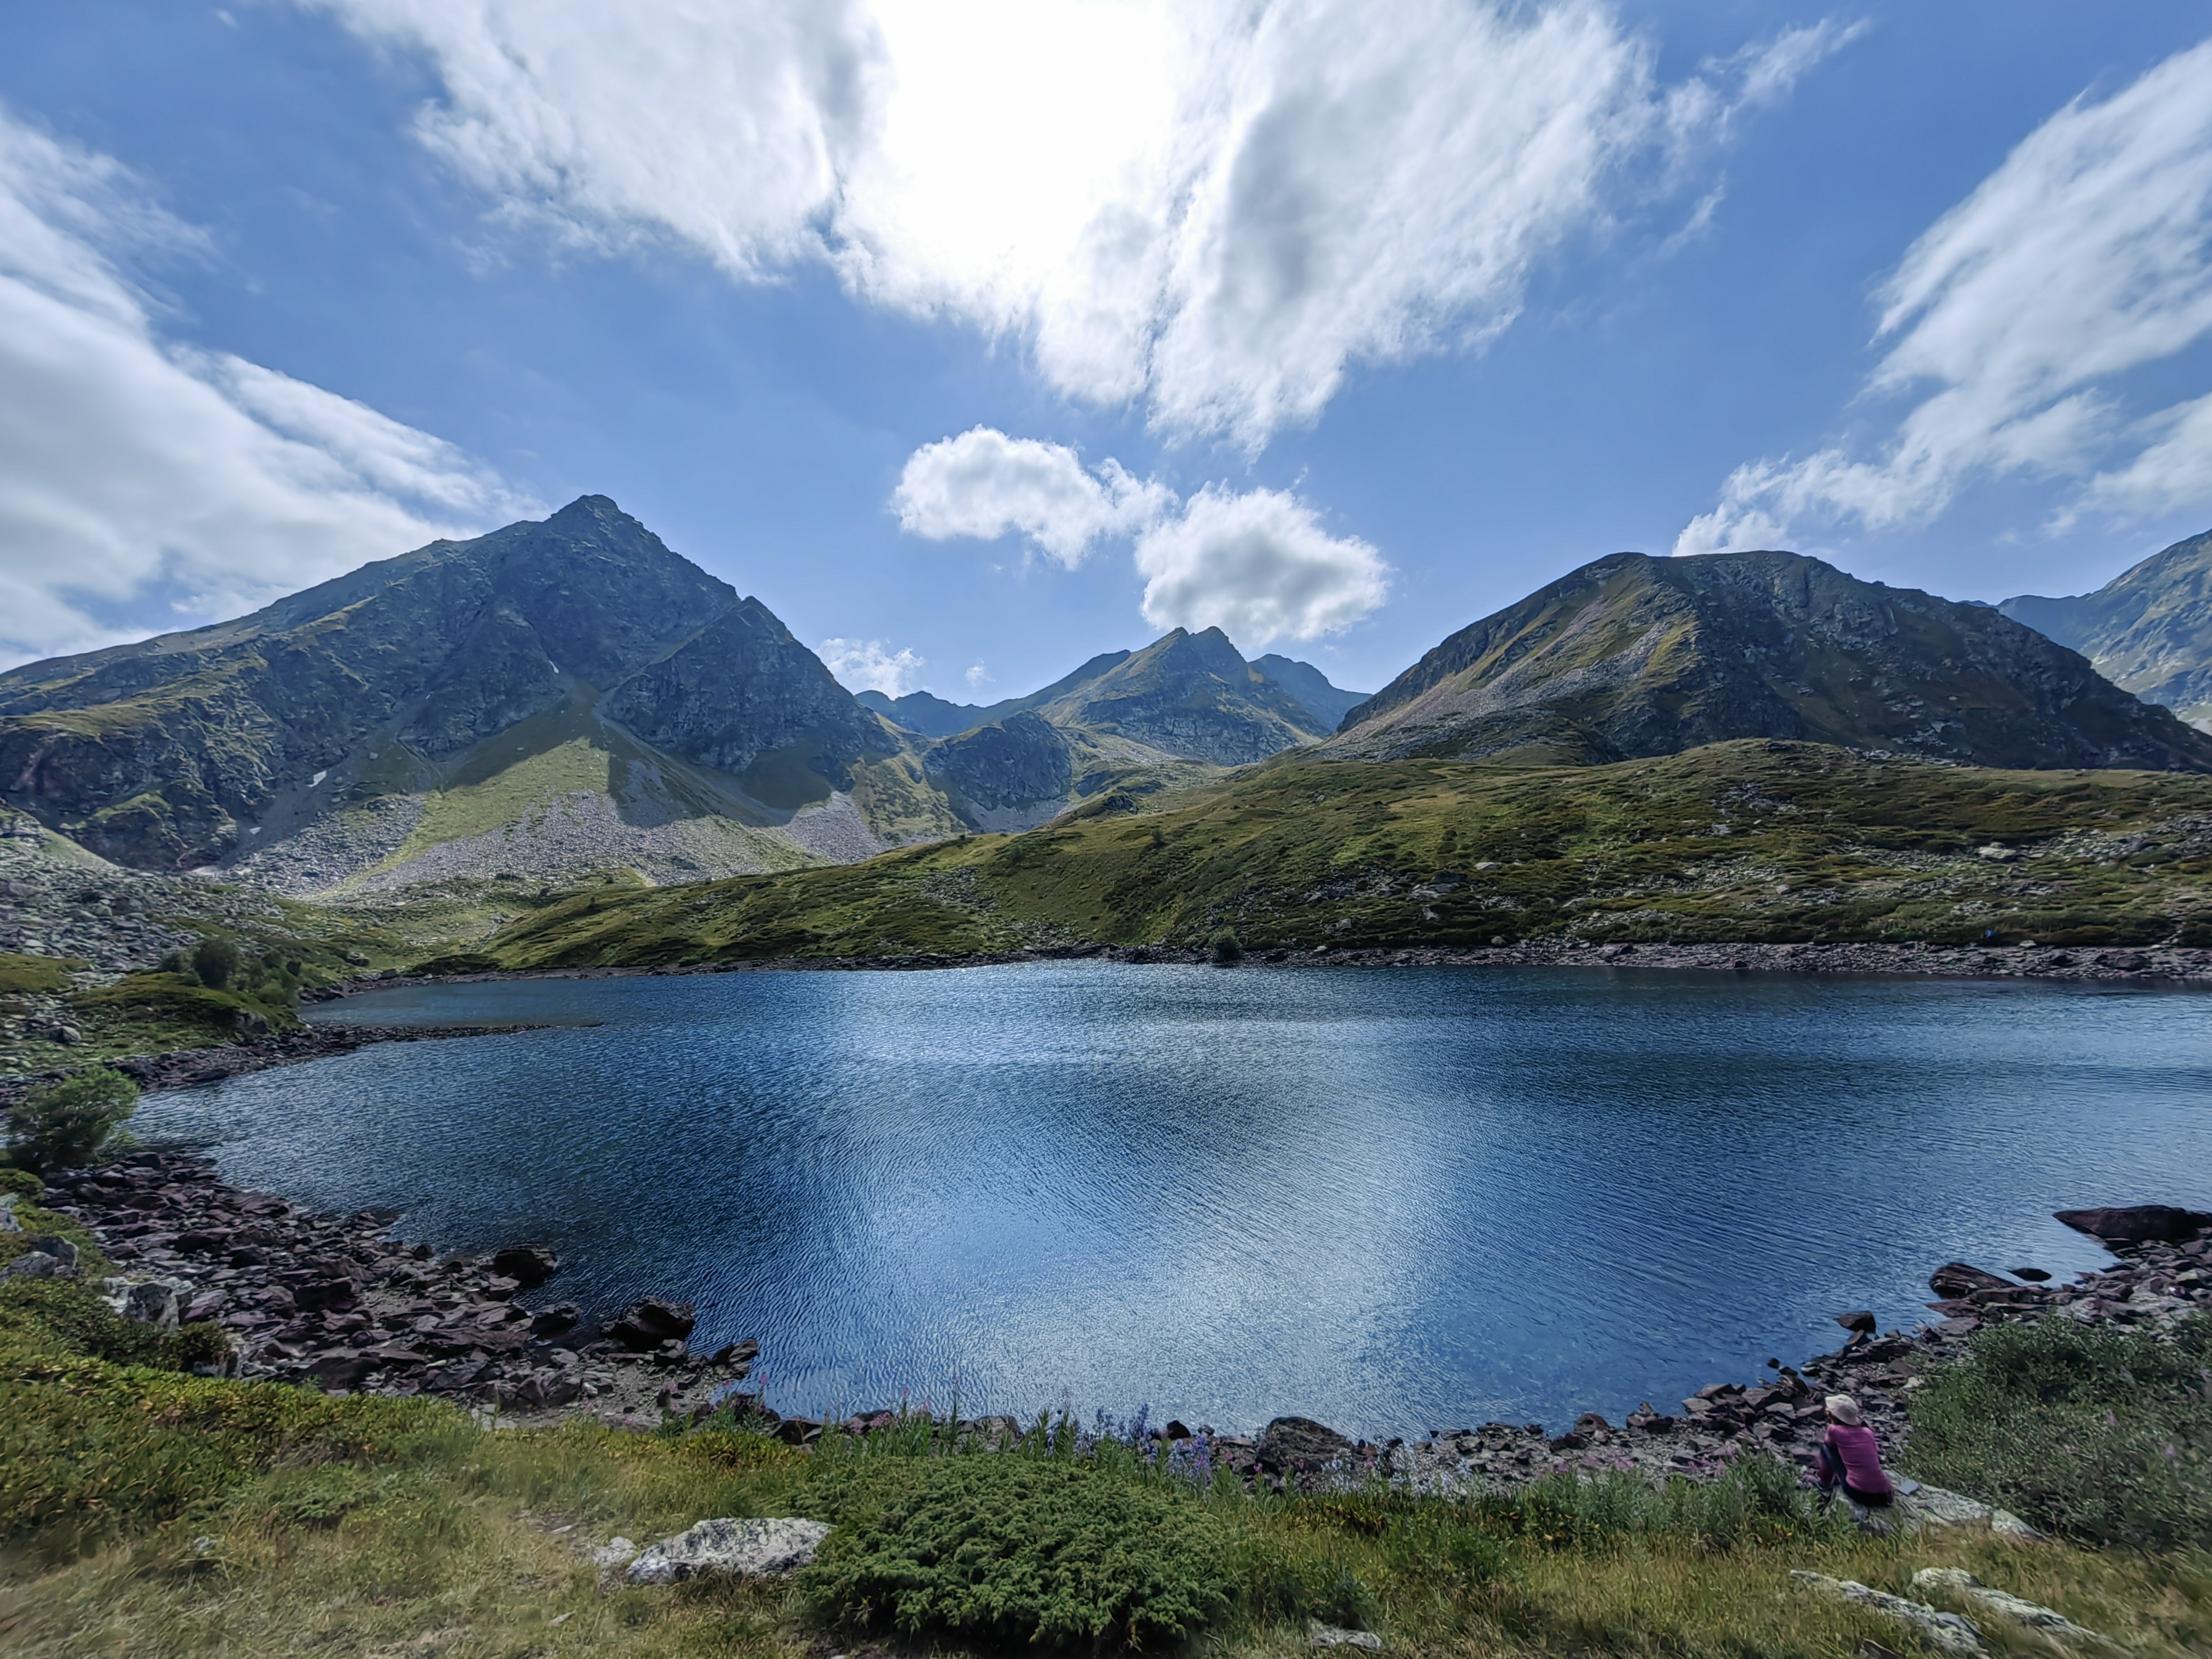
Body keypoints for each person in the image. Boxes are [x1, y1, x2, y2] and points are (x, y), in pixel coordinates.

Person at [1814, 1394, 1894, 1509]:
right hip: (1885, 1494)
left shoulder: (1834, 1430)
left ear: (1831, 1414)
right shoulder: (1868, 1432)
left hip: (1859, 1492)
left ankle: (1824, 1483)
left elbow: (1830, 1454)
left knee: (1826, 1449)